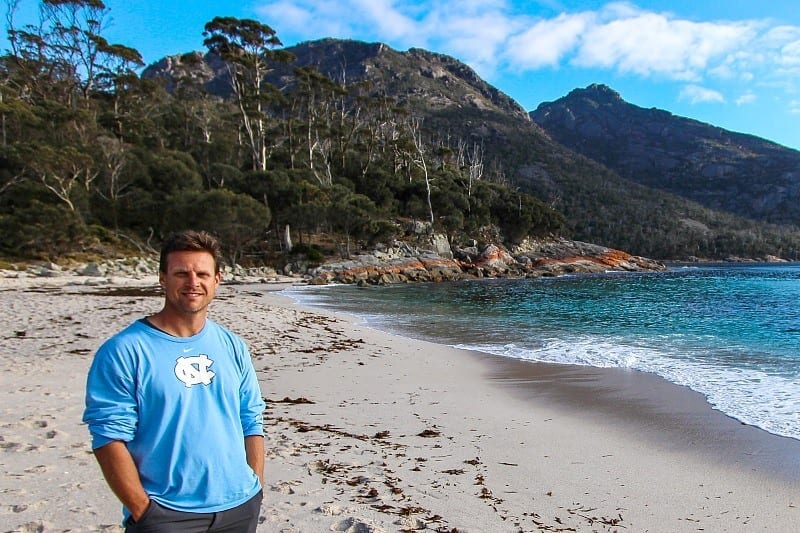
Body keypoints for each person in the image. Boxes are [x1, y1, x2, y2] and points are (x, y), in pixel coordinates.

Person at [83, 230, 265, 532]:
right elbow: (108, 436)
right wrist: (143, 510)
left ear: (217, 280)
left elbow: (251, 418)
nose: (193, 283)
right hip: (166, 514)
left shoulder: (232, 345)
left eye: (202, 273)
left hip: (239, 507)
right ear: (162, 278)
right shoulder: (124, 351)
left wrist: (254, 486)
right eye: (182, 273)